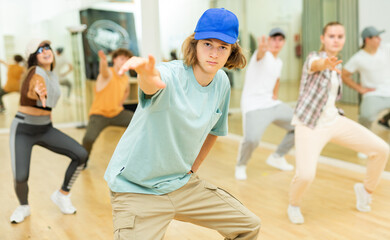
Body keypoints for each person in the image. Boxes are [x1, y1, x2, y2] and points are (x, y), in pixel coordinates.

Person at [104, 8, 260, 240]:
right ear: (194, 44)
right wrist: (146, 74)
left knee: (248, 226)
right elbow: (154, 83)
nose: (214, 53)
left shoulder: (221, 83)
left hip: (182, 185)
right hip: (136, 189)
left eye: (222, 47)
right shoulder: (172, 74)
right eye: (207, 44)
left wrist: (192, 169)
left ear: (231, 52)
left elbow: (214, 131)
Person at [287, 22, 389, 224]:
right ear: (323, 39)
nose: (336, 40)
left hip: (333, 120)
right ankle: (294, 204)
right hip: (309, 123)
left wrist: (331, 65)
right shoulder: (314, 58)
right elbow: (315, 64)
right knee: (306, 175)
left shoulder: (338, 64)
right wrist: (324, 64)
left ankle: (365, 190)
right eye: (331, 36)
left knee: (381, 149)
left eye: (340, 36)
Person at [9, 39, 88, 224]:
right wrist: (37, 91)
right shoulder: (34, 72)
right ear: (33, 57)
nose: (46, 51)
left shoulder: (52, 74)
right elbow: (34, 87)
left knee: (81, 155)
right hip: (23, 129)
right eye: (40, 50)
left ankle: (62, 194)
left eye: (47, 48)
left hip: (45, 128)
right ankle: (23, 206)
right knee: (20, 176)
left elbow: (48, 101)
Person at [235, 28, 295, 180]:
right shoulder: (261, 55)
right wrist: (261, 50)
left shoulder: (279, 62)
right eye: (273, 39)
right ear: (268, 41)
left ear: (284, 43)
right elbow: (260, 54)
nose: (277, 42)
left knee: (300, 123)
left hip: (271, 103)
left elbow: (277, 79)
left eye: (280, 40)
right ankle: (241, 165)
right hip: (254, 105)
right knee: (252, 140)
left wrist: (275, 94)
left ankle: (278, 156)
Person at [82, 48, 134, 162]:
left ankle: (133, 157)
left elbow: (126, 91)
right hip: (99, 114)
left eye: (127, 60)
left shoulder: (126, 78)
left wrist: (121, 102)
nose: (124, 62)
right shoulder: (109, 73)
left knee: (139, 122)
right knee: (89, 138)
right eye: (122, 59)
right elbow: (104, 71)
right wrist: (103, 62)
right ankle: (83, 160)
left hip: (117, 113)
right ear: (114, 60)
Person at [342, 27, 390, 131]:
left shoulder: (386, 49)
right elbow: (344, 74)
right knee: (365, 117)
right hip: (373, 94)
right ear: (367, 40)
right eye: (377, 37)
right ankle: (363, 139)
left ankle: (384, 120)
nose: (380, 39)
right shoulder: (358, 58)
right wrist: (360, 89)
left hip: (389, 90)